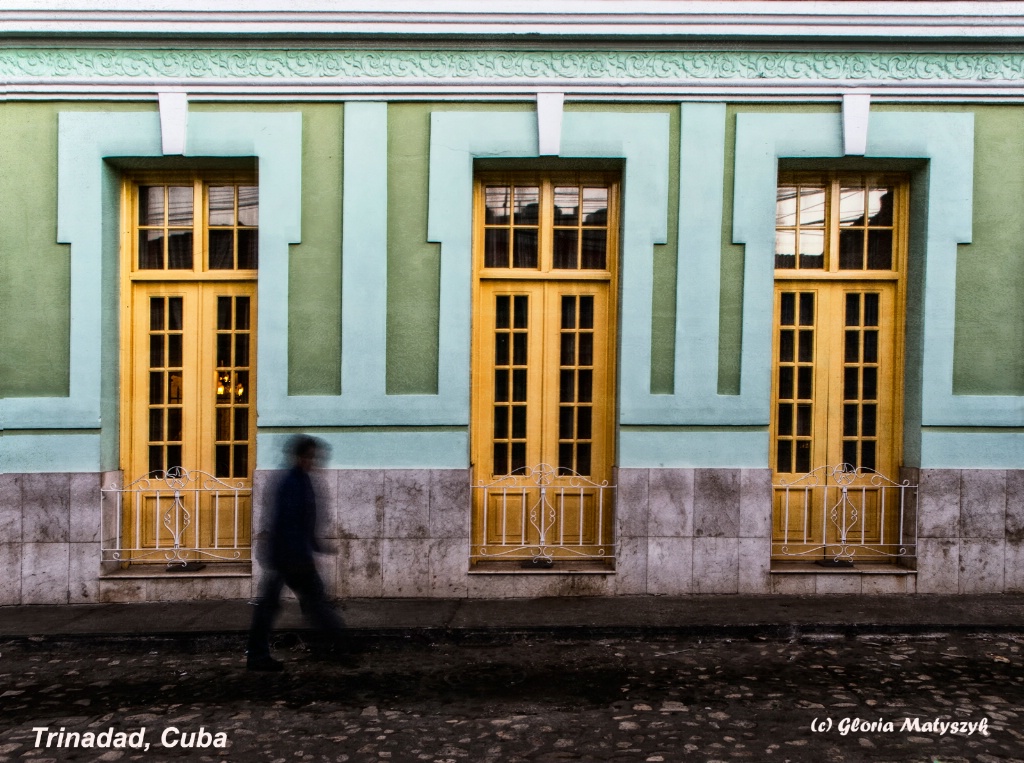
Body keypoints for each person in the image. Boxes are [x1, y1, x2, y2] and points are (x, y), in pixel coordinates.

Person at [247, 435, 346, 671]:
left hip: (289, 556)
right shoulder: (293, 483)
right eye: (310, 457)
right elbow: (289, 523)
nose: (313, 461)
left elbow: (303, 522)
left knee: (274, 607)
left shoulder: (299, 481)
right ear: (300, 457)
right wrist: (304, 554)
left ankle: (258, 656)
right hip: (291, 558)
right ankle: (340, 646)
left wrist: (315, 545)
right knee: (313, 603)